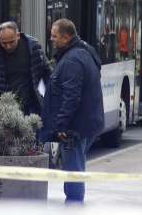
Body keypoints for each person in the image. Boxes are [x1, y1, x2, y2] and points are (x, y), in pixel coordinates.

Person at [39, 19, 104, 204]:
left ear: (66, 37)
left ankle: (74, 204)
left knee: (73, 166)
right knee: (77, 162)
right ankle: (75, 200)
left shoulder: (72, 60)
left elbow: (71, 96)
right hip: (86, 122)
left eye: (54, 36)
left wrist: (62, 125)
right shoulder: (83, 52)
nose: (51, 40)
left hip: (75, 127)